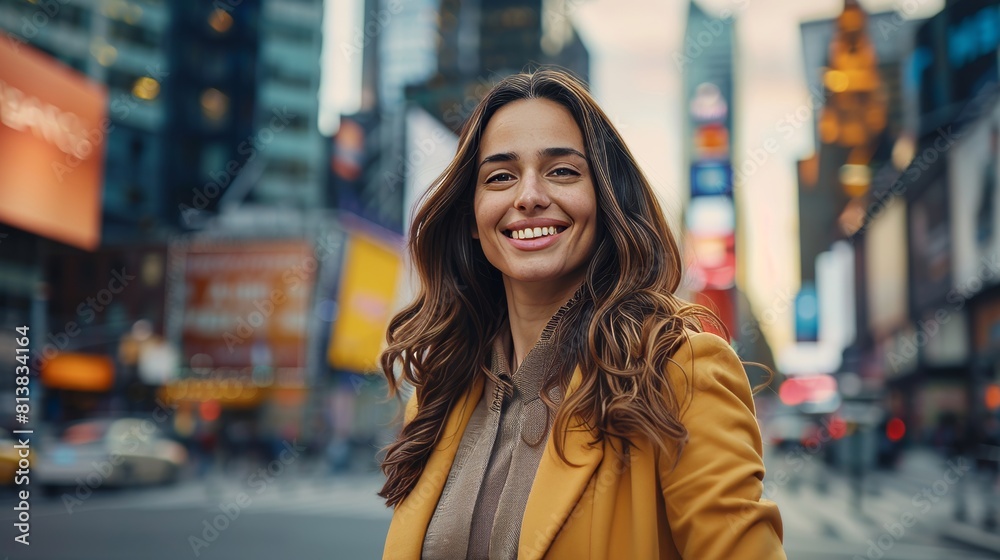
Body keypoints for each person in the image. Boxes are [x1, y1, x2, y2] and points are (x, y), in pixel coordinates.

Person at [377, 68, 785, 559]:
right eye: (501, 176)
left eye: (562, 171)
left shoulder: (679, 372)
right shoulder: (437, 394)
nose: (528, 196)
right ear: (471, 217)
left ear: (606, 200)